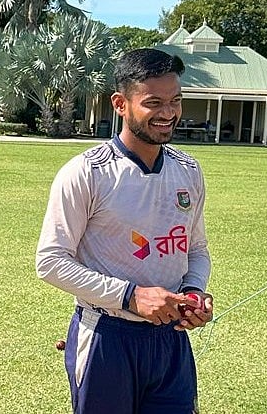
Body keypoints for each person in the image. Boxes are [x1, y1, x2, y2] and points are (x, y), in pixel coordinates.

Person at [35, 48, 213, 414]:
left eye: (175, 101)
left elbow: (195, 249)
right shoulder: (87, 173)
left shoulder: (188, 170)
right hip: (107, 338)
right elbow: (50, 261)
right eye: (153, 103)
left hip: (170, 343)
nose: (168, 113)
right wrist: (131, 296)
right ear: (120, 103)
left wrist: (194, 292)